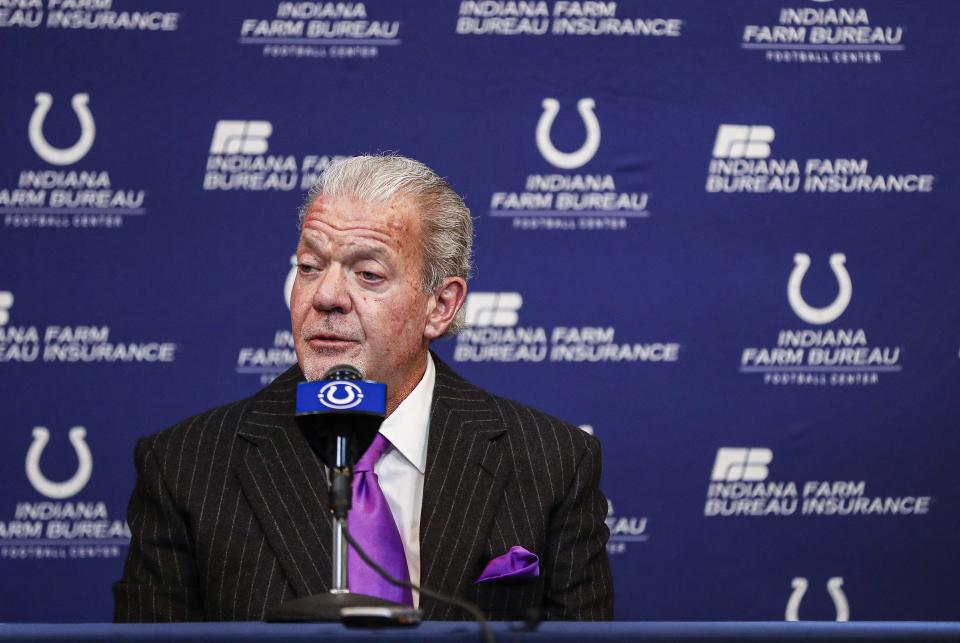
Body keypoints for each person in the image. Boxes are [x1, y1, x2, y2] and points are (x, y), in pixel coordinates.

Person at [113, 155, 613, 621]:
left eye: (368, 274)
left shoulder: (553, 462)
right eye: (308, 267)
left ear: (440, 305)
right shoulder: (184, 465)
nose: (326, 296)